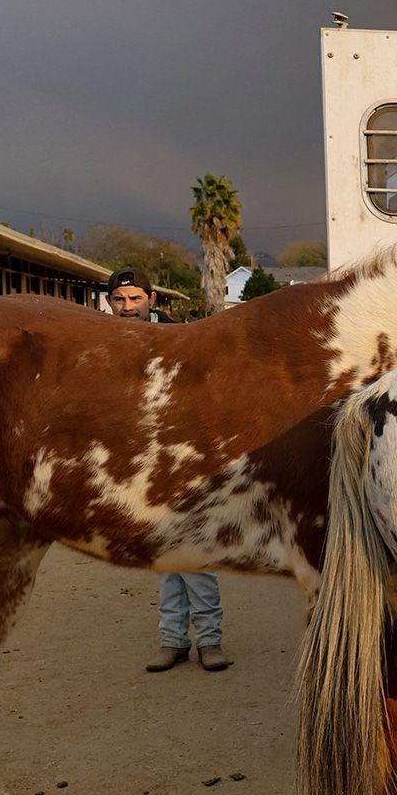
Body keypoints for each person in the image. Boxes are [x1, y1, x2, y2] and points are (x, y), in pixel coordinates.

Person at [106, 267, 228, 672]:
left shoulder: (180, 339)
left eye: (135, 298)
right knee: (162, 557)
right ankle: (173, 641)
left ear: (151, 299)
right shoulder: (103, 342)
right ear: (110, 302)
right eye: (120, 299)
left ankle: (209, 641)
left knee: (193, 552)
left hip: (182, 458)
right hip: (138, 464)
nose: (127, 307)